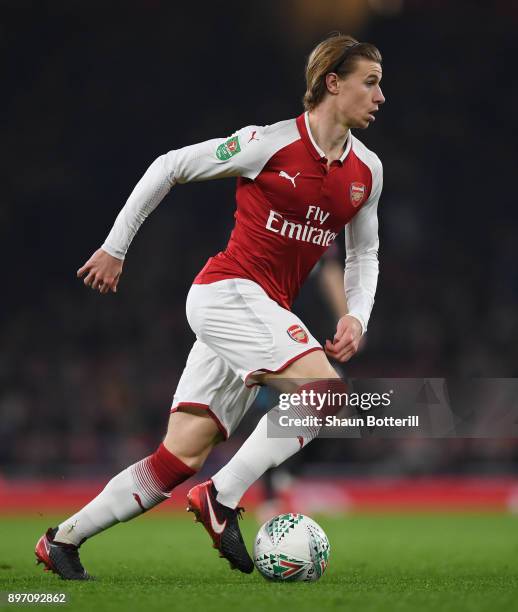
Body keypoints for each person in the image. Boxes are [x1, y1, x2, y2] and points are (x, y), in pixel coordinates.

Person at [35, 33, 385, 579]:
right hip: (227, 292)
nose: (380, 96)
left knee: (178, 457)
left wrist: (356, 314)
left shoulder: (367, 172)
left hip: (259, 311)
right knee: (325, 394)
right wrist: (115, 246)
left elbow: (364, 253)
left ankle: (62, 540)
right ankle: (221, 499)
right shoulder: (266, 144)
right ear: (333, 84)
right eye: (370, 82)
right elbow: (170, 165)